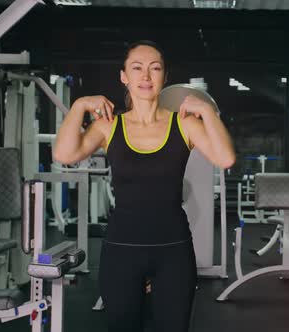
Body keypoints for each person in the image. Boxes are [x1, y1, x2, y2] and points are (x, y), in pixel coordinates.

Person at [53, 40, 236, 332]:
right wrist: (79, 106)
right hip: (121, 251)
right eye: (137, 68)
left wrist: (207, 111)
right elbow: (64, 154)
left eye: (155, 68)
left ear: (165, 77)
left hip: (173, 252)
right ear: (124, 76)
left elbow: (225, 158)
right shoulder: (108, 126)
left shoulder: (184, 124)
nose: (146, 76)